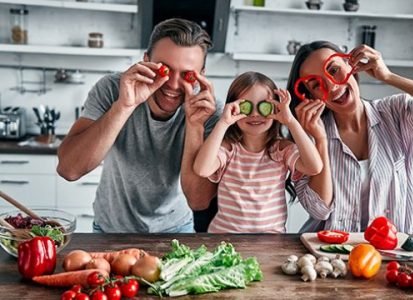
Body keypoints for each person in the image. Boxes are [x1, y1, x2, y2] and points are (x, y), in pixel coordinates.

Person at [287, 41, 413, 234]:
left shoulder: (396, 113)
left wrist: (389, 77)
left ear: (351, 65)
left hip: (393, 249)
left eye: (333, 70)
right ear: (310, 95)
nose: (332, 86)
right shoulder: (307, 136)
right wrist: (321, 140)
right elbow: (319, 210)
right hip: (329, 253)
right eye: (317, 84)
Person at [56, 18, 222, 233]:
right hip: (110, 230)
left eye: (187, 75)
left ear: (201, 76)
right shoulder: (112, 89)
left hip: (176, 230)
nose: (172, 85)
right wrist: (124, 105)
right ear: (145, 61)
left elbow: (198, 200)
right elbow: (69, 169)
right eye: (164, 69)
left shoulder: (208, 109)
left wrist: (195, 126)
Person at [193, 71, 324, 233]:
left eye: (263, 106)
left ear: (276, 108)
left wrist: (290, 121)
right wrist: (223, 122)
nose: (255, 114)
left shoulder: (281, 150)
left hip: (270, 241)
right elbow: (201, 169)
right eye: (245, 106)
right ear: (233, 108)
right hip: (224, 238)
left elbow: (315, 167)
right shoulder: (229, 148)